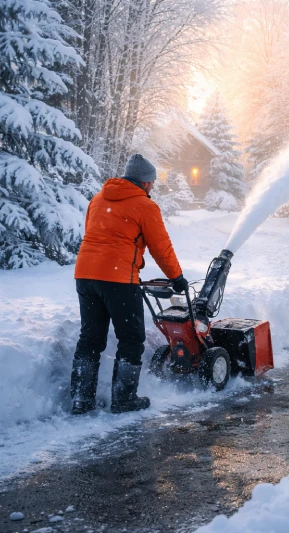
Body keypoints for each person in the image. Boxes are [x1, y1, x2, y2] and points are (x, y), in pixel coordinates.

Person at [69, 154, 190, 415]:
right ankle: (124, 399)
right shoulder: (145, 206)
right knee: (131, 338)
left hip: (85, 275)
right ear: (145, 182)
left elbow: (93, 234)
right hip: (118, 279)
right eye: (152, 182)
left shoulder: (98, 199)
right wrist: (176, 277)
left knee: (90, 338)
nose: (153, 186)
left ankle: (81, 399)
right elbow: (161, 247)